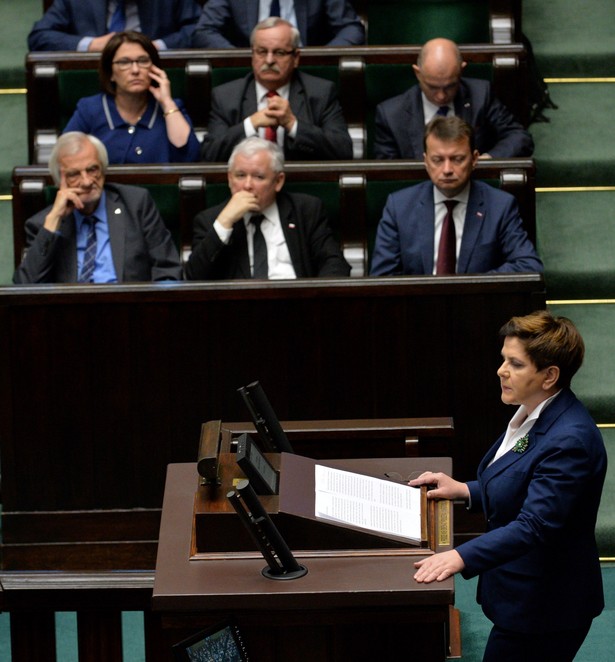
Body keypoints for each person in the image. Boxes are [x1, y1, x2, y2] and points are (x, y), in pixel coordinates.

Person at [410, 310, 607, 662]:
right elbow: (521, 480)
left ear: (549, 375)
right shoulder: (533, 413)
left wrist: (460, 555)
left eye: (515, 364)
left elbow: (536, 524)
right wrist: (466, 490)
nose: (501, 371)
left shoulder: (569, 440)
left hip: (548, 607)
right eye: (504, 360)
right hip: (525, 597)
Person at [369, 116, 542, 276]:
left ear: (474, 159)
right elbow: (383, 276)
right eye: (437, 160)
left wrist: (471, 287)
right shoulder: (399, 206)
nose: (447, 170)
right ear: (425, 161)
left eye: (457, 159)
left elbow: (528, 265)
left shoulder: (500, 206)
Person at [13, 132, 182, 284]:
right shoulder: (43, 224)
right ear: (59, 180)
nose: (86, 182)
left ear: (103, 169)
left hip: (131, 311)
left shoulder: (136, 204)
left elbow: (168, 268)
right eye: (74, 174)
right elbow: (26, 285)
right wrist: (54, 221)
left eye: (92, 170)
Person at [185, 136, 350, 280]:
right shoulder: (210, 220)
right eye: (240, 176)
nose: (247, 185)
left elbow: (335, 264)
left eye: (258, 177)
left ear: (278, 181)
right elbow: (193, 278)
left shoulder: (306, 211)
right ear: (229, 178)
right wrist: (224, 223)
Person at [200, 17, 353, 163]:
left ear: (296, 58)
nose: (269, 60)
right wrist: (251, 124)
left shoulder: (321, 93)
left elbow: (343, 151)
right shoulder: (226, 96)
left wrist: (293, 124)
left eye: (279, 53)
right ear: (252, 55)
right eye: (262, 51)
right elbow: (209, 155)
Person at [373, 37, 534, 160]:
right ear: (417, 73)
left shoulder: (481, 94)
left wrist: (487, 162)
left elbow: (519, 137)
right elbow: (387, 176)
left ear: (461, 70)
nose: (441, 96)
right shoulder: (391, 114)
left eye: (450, 86)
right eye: (433, 87)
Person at [63, 31, 200, 164]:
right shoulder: (90, 109)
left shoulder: (171, 107)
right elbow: (64, 157)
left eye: (143, 61)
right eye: (124, 62)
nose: (135, 70)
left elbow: (190, 157)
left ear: (154, 68)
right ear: (110, 73)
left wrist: (167, 103)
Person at [27, 0, 202, 52]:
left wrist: (156, 47)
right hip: (92, 81)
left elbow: (197, 29)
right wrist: (91, 45)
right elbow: (39, 36)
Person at [192, 0, 365, 48]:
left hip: (306, 72)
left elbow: (352, 29)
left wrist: (320, 58)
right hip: (249, 75)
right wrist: (244, 59)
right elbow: (204, 31)